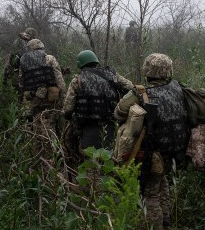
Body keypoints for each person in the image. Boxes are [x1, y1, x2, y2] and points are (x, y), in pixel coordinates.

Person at [114, 53, 190, 230]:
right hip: (176, 151)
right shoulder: (178, 88)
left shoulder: (141, 93)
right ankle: (167, 221)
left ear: (148, 71)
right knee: (162, 185)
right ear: (168, 70)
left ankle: (156, 226)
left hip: (153, 154)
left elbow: (118, 113)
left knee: (150, 195)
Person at [63, 50, 134, 155]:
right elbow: (132, 88)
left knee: (88, 158)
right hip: (111, 127)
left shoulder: (77, 80)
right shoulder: (113, 75)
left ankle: (70, 158)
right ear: (96, 61)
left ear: (80, 64)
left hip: (87, 128)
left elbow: (67, 109)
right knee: (110, 157)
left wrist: (69, 116)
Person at [2, 27, 38, 99]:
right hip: (20, 70)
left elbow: (12, 53)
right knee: (19, 91)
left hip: (13, 68)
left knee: (12, 89)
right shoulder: (26, 42)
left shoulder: (18, 40)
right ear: (32, 36)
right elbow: (25, 56)